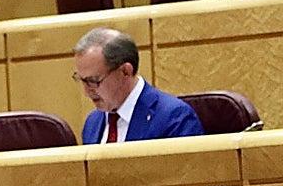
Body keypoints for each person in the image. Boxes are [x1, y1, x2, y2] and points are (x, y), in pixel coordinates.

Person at [73, 28, 204, 145]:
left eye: (94, 81)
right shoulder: (93, 123)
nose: (86, 92)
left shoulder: (174, 118)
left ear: (125, 71)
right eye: (82, 80)